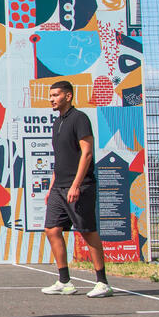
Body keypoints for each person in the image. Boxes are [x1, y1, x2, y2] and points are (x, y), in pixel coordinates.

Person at [41, 80, 113, 298]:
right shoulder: (57, 123)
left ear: (68, 96)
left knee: (87, 231)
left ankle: (102, 282)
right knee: (52, 229)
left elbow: (87, 153)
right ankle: (64, 281)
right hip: (59, 187)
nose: (51, 99)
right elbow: (60, 157)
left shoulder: (80, 119)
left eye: (56, 95)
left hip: (79, 186)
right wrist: (53, 185)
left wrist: (76, 185)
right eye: (51, 95)